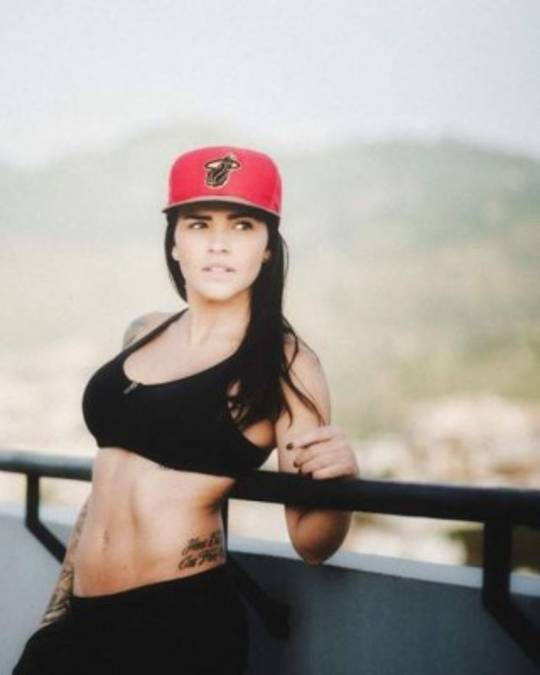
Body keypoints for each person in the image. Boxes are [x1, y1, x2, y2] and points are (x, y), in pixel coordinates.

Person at [12, 145, 360, 674]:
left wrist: (341, 482)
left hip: (178, 626)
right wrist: (58, 612)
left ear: (268, 247)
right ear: (175, 242)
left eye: (242, 226)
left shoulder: (284, 363)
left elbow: (312, 542)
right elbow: (107, 485)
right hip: (81, 621)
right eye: (199, 224)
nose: (219, 244)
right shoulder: (144, 331)